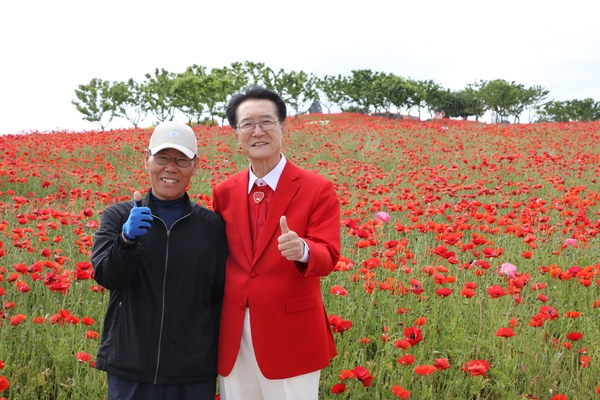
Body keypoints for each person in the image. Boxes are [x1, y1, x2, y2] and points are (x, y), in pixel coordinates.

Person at [212, 86, 341, 400]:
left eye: (266, 122)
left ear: (282, 126)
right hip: (234, 333)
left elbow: (329, 255)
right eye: (248, 124)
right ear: (237, 134)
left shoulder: (316, 188)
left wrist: (303, 250)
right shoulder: (224, 191)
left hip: (291, 333)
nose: (258, 131)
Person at [91, 121, 228, 400]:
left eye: (181, 159)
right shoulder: (118, 217)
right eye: (162, 157)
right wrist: (126, 241)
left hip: (191, 371)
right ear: (146, 159)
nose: (171, 167)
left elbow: (219, 296)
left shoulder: (211, 226)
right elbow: (107, 276)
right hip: (130, 365)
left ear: (195, 165)